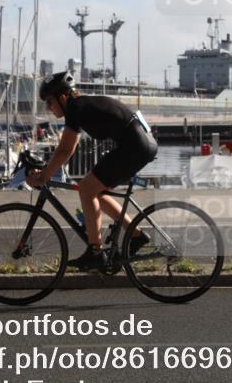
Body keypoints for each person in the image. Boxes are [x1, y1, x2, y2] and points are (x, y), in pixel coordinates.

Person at [28, 71, 158, 271]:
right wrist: (47, 169)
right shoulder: (81, 106)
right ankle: (136, 235)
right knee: (94, 190)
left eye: (49, 101)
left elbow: (65, 150)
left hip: (134, 147)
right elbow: (67, 150)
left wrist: (44, 175)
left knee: (86, 189)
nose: (49, 107)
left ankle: (96, 252)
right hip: (138, 144)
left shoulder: (76, 108)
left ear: (63, 97)